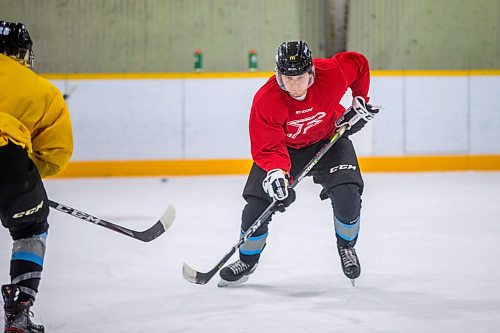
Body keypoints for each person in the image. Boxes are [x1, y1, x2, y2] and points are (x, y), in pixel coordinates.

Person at [218, 41, 380, 287]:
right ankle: (247, 261)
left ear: (311, 73)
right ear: (278, 74)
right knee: (257, 206)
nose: (293, 85)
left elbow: (358, 63)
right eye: (287, 78)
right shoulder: (267, 99)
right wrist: (276, 172)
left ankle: (346, 247)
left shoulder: (332, 74)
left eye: (300, 77)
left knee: (348, 195)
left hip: (329, 140)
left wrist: (360, 98)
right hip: (286, 150)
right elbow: (267, 145)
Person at [0, 21, 73, 332]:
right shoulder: (42, 91)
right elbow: (55, 156)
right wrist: (27, 178)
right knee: (30, 228)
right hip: (9, 165)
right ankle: (20, 309)